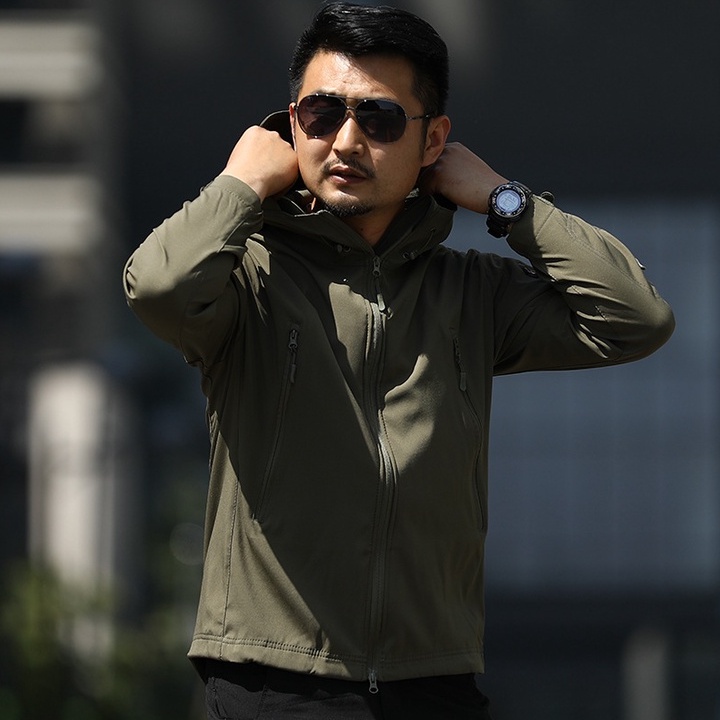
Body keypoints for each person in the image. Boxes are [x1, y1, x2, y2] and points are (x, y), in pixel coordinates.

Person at [123, 3, 674, 718]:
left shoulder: (471, 291)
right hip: (274, 681)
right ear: (291, 125)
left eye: (380, 119)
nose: (346, 141)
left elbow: (635, 319)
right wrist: (240, 183)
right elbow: (158, 287)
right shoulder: (247, 279)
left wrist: (506, 202)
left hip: (434, 679)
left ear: (432, 140)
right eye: (321, 114)